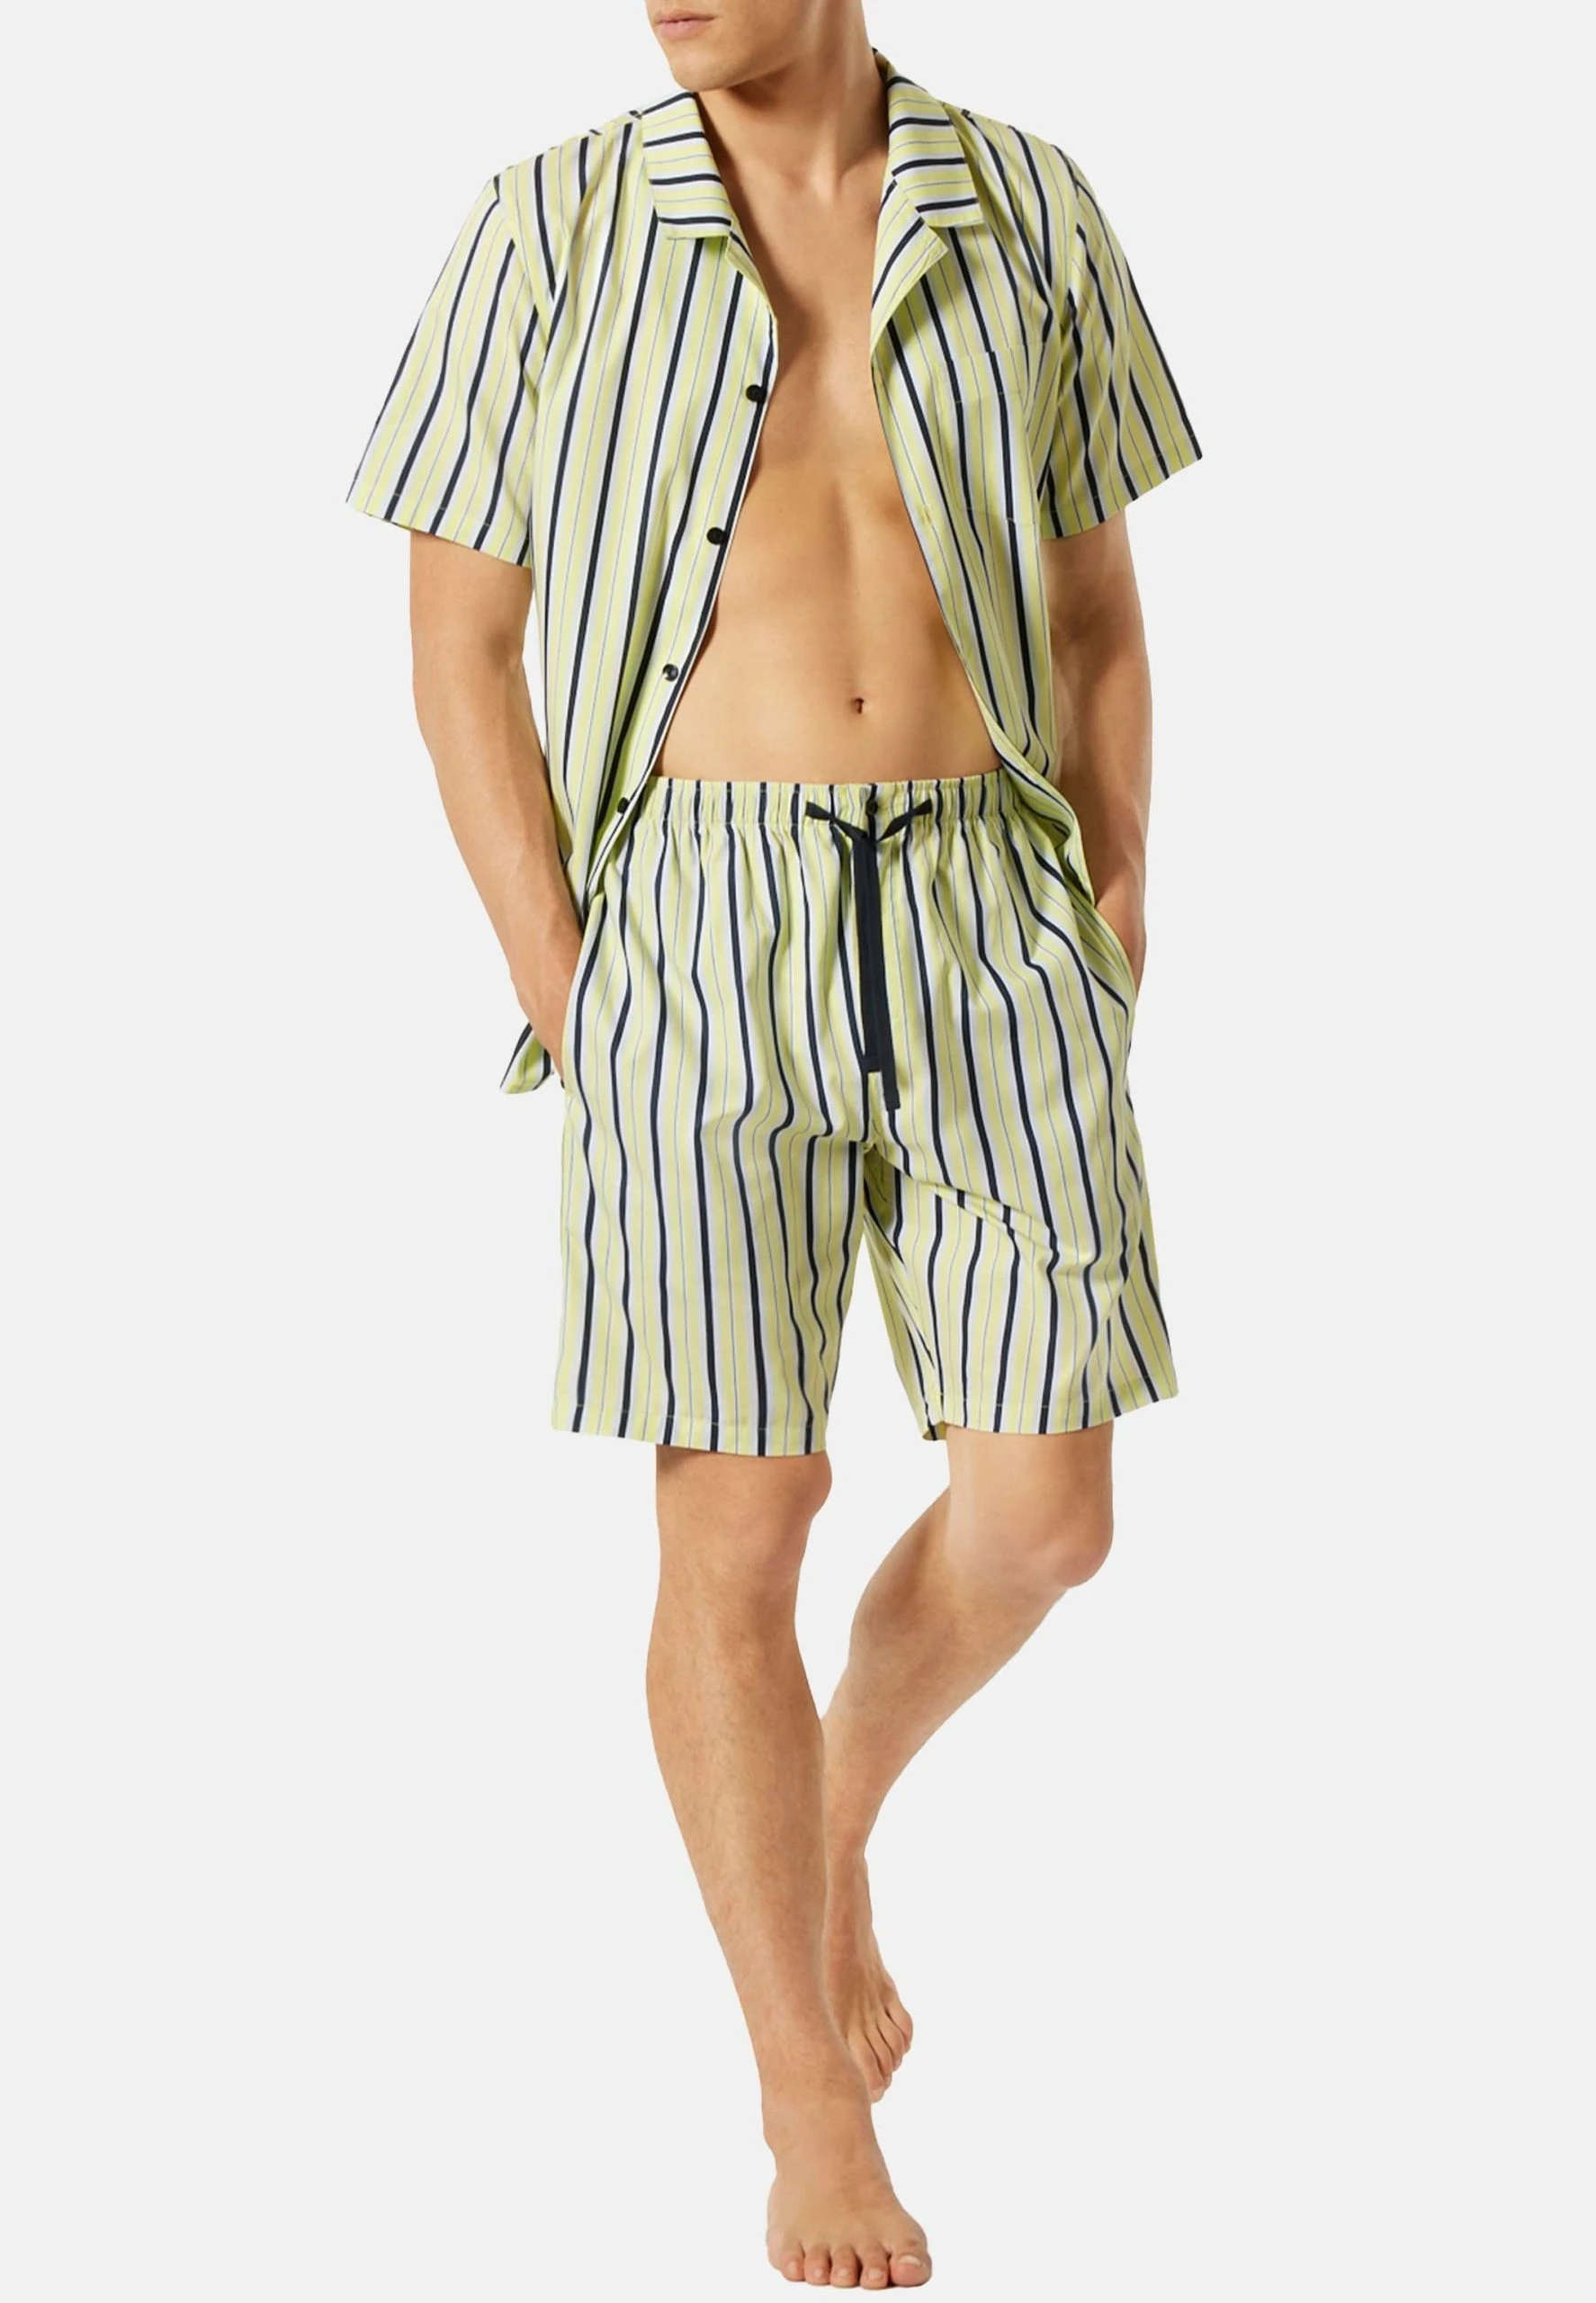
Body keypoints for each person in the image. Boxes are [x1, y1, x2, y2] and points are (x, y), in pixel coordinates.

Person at [347, 2, 1201, 2285]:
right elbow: (457, 639)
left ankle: (824, 1815)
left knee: (1048, 1514)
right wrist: (563, 973)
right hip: (687, 922)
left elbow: (1095, 599)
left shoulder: (1026, 204)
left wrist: (1114, 881)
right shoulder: (545, 224)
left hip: (986, 901)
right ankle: (804, 2104)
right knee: (739, 1517)